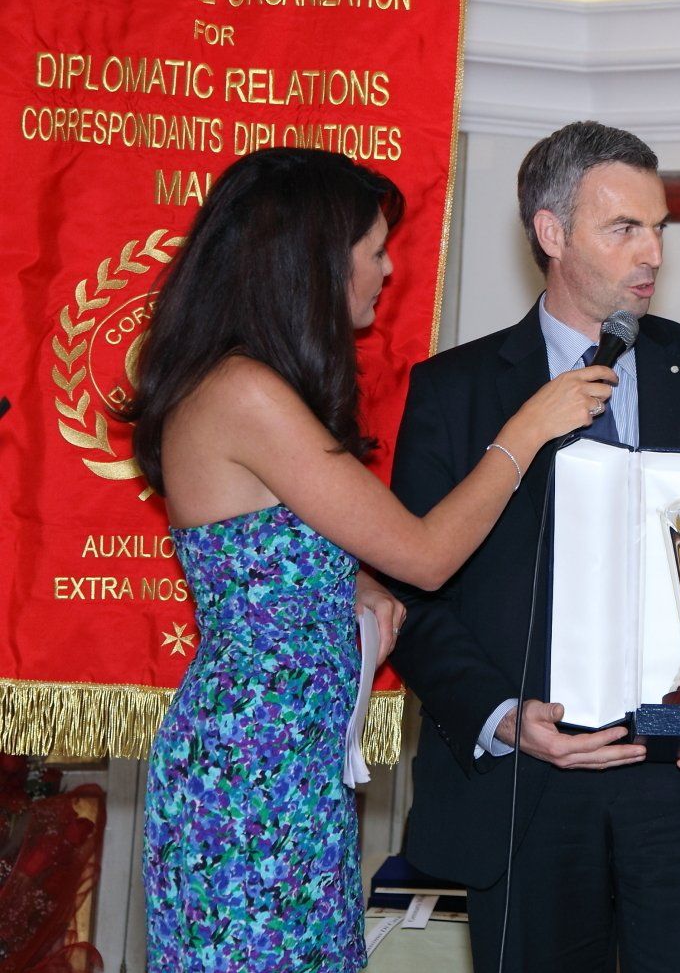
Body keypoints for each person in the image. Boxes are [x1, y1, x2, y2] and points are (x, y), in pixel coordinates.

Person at [126, 147, 613, 972]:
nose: (388, 270)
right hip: (250, 776)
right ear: (315, 259)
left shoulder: (246, 383)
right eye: (375, 250)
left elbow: (273, 544)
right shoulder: (245, 391)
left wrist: (350, 578)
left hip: (292, 770)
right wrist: (526, 430)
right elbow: (426, 557)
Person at [387, 120, 680, 973]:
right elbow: (412, 594)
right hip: (526, 783)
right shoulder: (454, 390)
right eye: (624, 228)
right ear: (552, 232)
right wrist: (501, 716)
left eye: (658, 228)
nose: (653, 253)